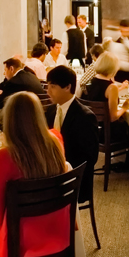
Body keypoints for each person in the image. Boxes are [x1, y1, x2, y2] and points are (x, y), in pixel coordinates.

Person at [0, 92, 83, 257]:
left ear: (9, 120)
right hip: (58, 229)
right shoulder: (55, 140)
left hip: (22, 244)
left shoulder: (5, 157)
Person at [46, 66, 99, 204]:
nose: (48, 91)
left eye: (52, 86)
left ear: (67, 87)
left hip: (74, 179)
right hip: (50, 173)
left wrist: (63, 169)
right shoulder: (50, 111)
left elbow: (90, 157)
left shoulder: (85, 116)